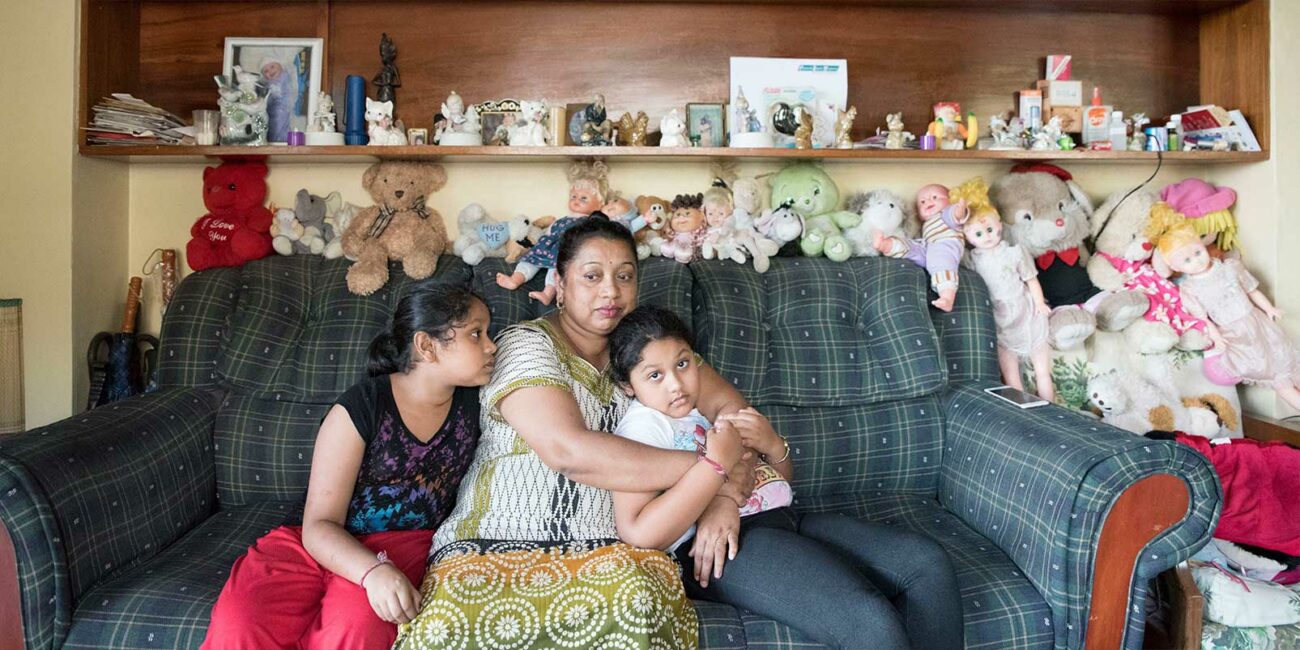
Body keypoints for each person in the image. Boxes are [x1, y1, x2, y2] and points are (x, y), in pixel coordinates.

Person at [399, 218, 760, 649]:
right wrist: (713, 468)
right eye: (592, 276)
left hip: (614, 557)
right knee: (452, 627)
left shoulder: (652, 357)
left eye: (624, 276)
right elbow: (568, 451)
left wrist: (724, 493)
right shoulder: (524, 344)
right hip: (495, 545)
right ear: (560, 283)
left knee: (635, 602)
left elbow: (736, 417)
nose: (611, 291)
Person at [608, 305, 965, 650]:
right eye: (655, 375)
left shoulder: (702, 409)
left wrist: (771, 448)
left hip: (781, 516)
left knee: (926, 564)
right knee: (867, 617)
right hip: (726, 547)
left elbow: (776, 478)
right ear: (627, 386)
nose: (676, 384)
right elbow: (641, 531)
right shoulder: (644, 426)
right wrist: (718, 488)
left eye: (683, 364)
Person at [202, 284, 495, 649]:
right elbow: (320, 524)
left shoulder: (478, 402)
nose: (491, 346)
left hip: (404, 544)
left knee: (358, 625)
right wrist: (371, 571)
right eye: (475, 334)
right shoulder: (361, 407)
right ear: (426, 345)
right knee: (241, 620)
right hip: (316, 541)